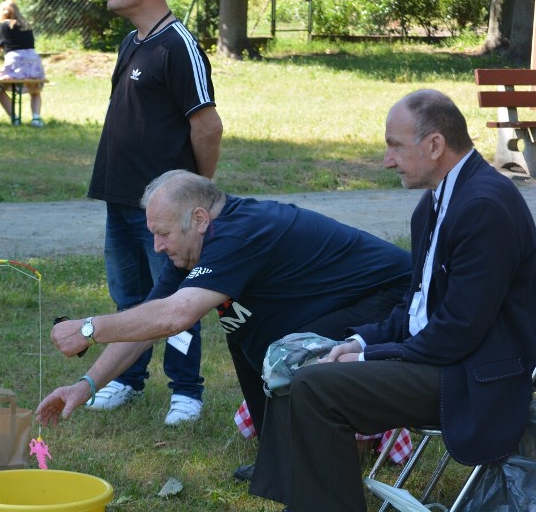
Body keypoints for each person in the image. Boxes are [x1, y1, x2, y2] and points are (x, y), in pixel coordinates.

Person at [245, 90, 536, 512]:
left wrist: (372, 357)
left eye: (395, 145)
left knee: (316, 388)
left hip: (471, 377)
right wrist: (358, 344)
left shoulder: (484, 206)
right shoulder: (436, 204)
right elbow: (415, 309)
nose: (386, 159)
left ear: (435, 145)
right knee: (300, 371)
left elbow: (457, 332)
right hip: (442, 361)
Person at [35, 170, 412, 437]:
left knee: (289, 352)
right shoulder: (193, 248)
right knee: (247, 329)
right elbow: (147, 324)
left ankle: (326, 454)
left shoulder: (241, 232)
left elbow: (175, 317)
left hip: (396, 301)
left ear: (199, 219)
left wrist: (89, 329)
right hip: (350, 302)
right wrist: (85, 386)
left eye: (163, 234)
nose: (158, 247)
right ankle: (278, 454)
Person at [85, 0, 223, 425]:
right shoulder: (131, 42)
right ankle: (127, 379)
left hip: (167, 210)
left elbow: (207, 126)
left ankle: (186, 391)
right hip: (121, 199)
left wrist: (196, 193)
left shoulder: (178, 44)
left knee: (175, 300)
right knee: (129, 297)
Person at [0, 0, 45, 127]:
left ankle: (15, 118)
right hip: (33, 60)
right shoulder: (26, 24)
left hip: (16, 60)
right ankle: (36, 118)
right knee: (35, 90)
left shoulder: (5, 25)